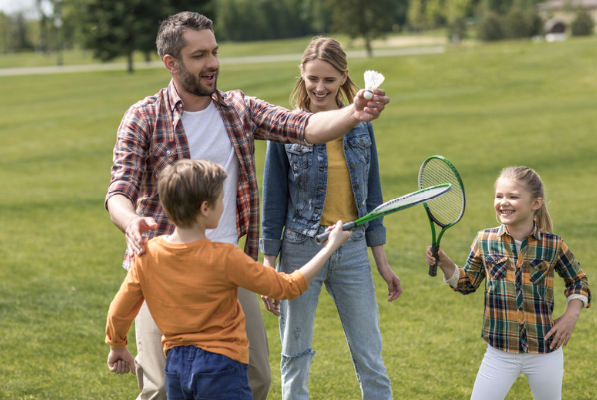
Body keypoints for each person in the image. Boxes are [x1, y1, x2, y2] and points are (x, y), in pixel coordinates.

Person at [105, 11, 390, 400]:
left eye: (215, 52)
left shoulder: (238, 108)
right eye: (200, 55)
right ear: (171, 63)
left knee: (256, 380)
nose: (213, 64)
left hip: (226, 266)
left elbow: (302, 127)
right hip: (164, 268)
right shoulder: (143, 118)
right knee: (160, 388)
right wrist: (131, 220)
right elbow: (119, 190)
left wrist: (353, 114)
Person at [106, 159, 353, 400]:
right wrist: (329, 247)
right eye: (221, 200)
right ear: (205, 208)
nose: (225, 205)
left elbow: (119, 309)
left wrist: (117, 346)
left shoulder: (146, 255)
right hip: (221, 367)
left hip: (175, 367)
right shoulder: (225, 257)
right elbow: (288, 286)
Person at [259, 37, 401, 400]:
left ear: (344, 78)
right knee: (295, 353)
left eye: (328, 79)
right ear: (302, 76)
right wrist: (269, 265)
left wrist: (381, 263)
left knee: (370, 354)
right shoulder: (286, 126)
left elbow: (373, 197)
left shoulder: (361, 124)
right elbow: (273, 201)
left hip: (352, 251)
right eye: (312, 79)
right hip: (299, 251)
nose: (319, 87)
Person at [424, 166, 591, 400]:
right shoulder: (484, 240)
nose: (504, 202)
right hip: (499, 353)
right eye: (499, 196)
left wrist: (571, 315)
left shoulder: (553, 245)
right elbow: (467, 283)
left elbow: (578, 281)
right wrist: (444, 262)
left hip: (545, 352)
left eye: (513, 196)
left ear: (536, 203)